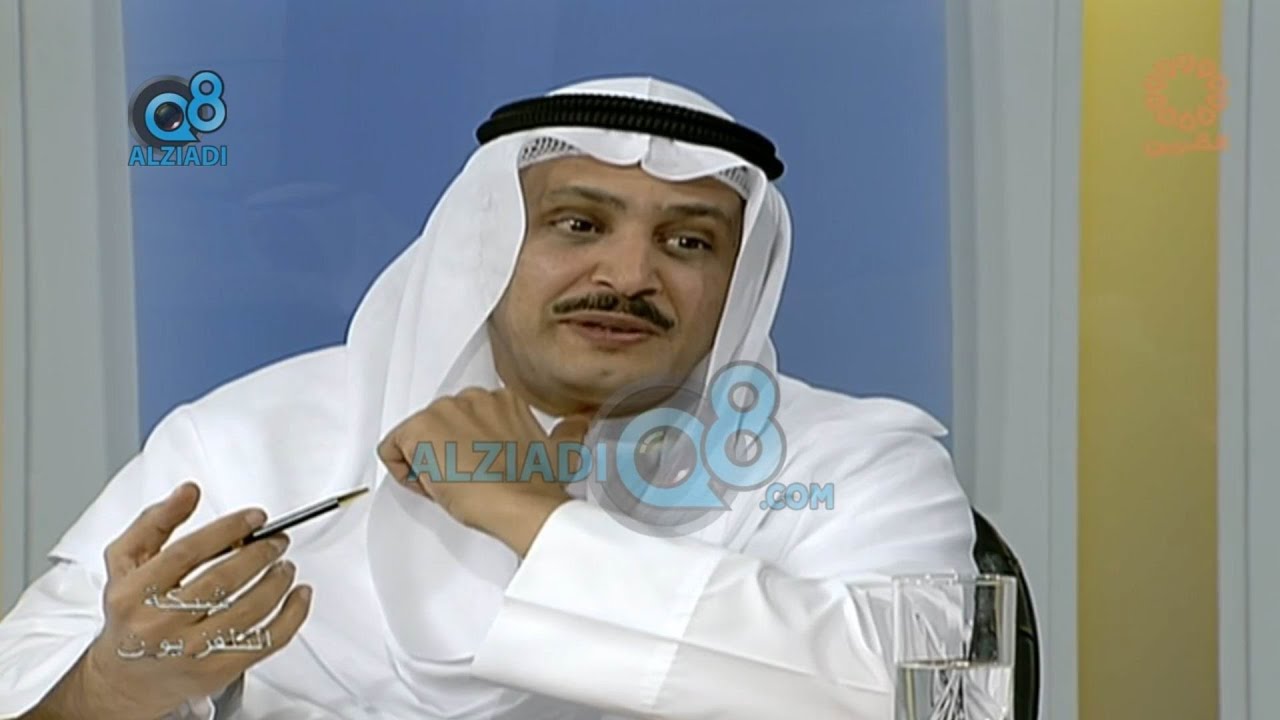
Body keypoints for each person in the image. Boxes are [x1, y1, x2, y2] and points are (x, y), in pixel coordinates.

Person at [0, 76, 976, 719]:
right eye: (576, 224)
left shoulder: (853, 461)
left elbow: (919, 698)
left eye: (687, 242)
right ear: (482, 245)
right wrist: (113, 687)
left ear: (738, 282)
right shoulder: (250, 440)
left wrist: (526, 514)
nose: (627, 275)